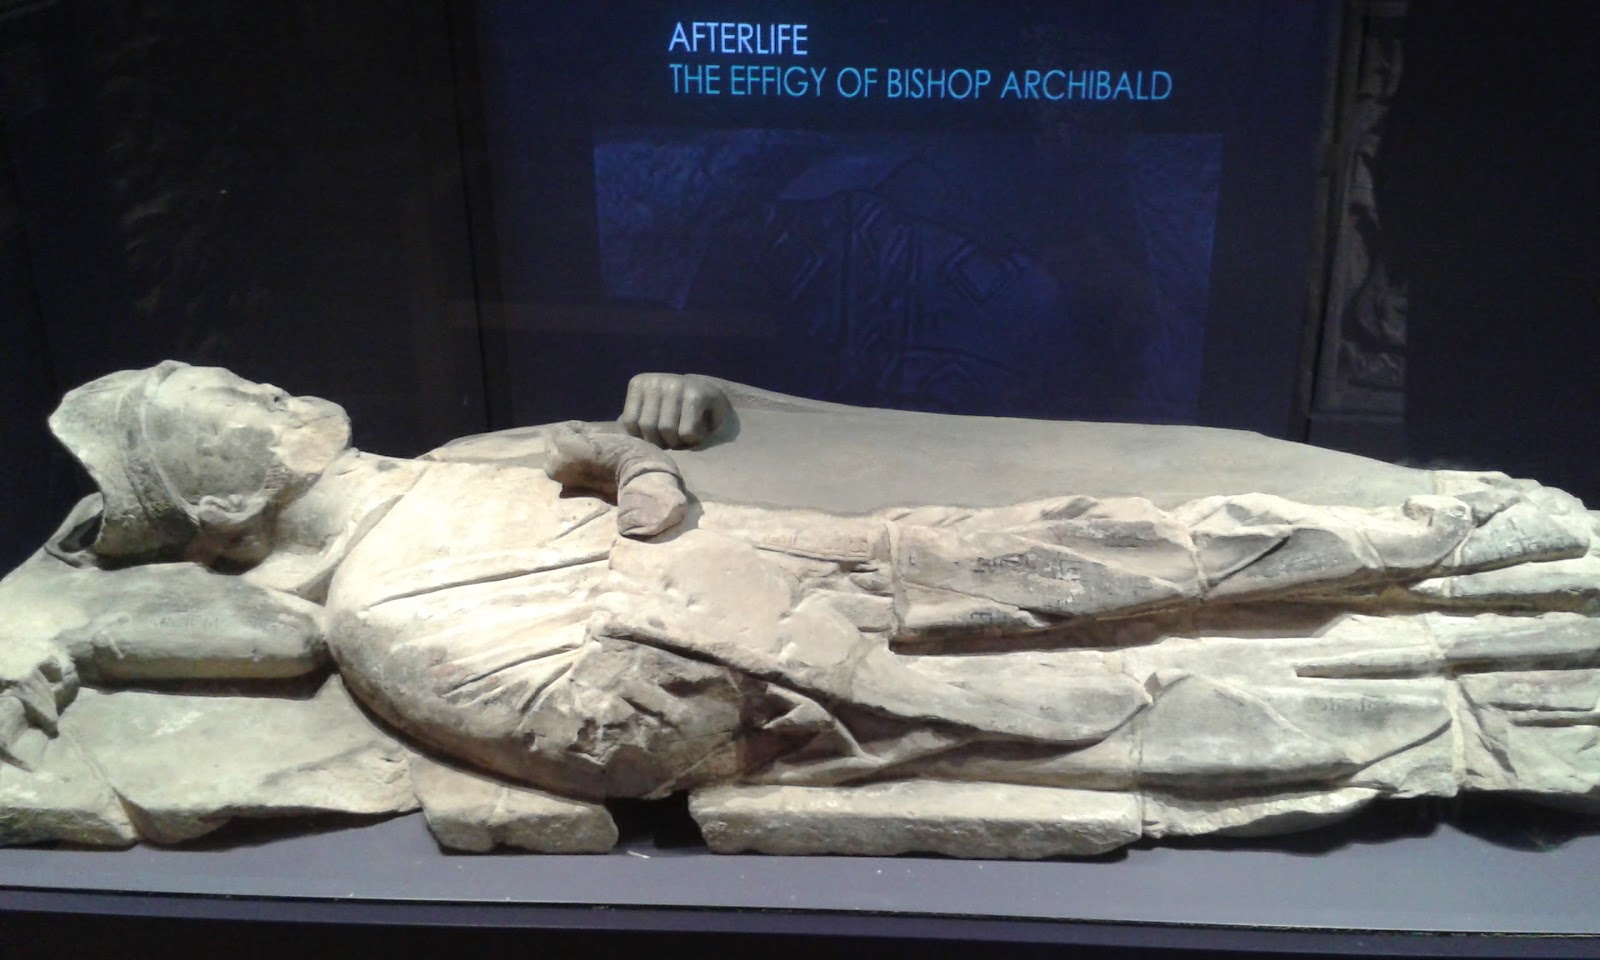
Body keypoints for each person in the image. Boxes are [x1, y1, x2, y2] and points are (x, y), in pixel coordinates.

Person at [1, 362, 1591, 803]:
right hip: (732, 673)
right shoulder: (351, 613)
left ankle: (1463, 549)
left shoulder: (437, 470)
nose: (240, 387)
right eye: (202, 408)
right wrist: (66, 642)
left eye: (216, 372)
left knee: (1118, 547)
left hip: (778, 569)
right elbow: (609, 745)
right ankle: (1472, 708)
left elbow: (601, 448)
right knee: (1106, 703)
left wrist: (649, 469)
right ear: (217, 501)